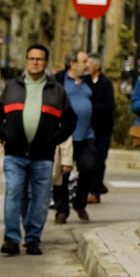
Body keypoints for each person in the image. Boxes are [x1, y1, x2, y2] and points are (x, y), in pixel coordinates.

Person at [0, 44, 76, 256]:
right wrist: (4, 134)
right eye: (31, 58)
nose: (35, 62)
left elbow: (70, 120)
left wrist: (54, 139)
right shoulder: (12, 86)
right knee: (13, 194)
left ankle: (33, 239)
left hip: (43, 156)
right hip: (14, 154)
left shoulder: (56, 90)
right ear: (26, 61)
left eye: (39, 59)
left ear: (46, 63)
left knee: (39, 200)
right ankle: (11, 239)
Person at [53, 50, 95, 223]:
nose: (88, 64)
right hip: (65, 136)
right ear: (73, 64)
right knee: (61, 174)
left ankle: (79, 203)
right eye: (85, 61)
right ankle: (62, 211)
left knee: (89, 168)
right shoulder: (60, 80)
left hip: (87, 134)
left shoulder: (90, 81)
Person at [86, 53, 115, 204]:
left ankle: (95, 192)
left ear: (96, 66)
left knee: (99, 161)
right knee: (88, 161)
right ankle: (97, 183)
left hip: (103, 129)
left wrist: (92, 107)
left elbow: (110, 105)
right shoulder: (85, 82)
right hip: (87, 129)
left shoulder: (106, 83)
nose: (86, 67)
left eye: (89, 64)